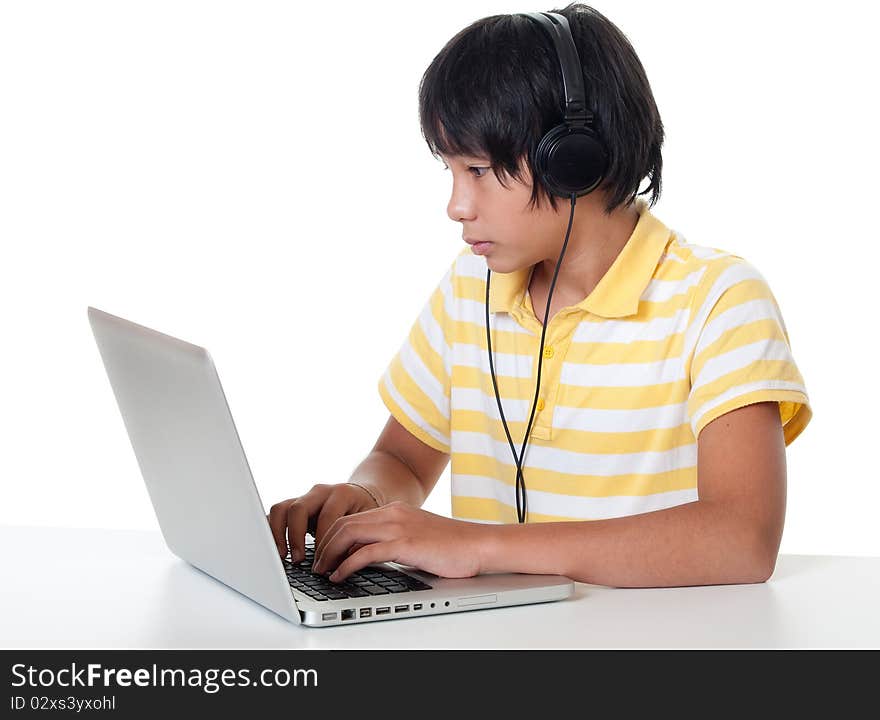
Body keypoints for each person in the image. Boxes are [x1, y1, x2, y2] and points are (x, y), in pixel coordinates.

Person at [267, 3, 811, 588]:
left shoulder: (718, 301)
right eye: (450, 171)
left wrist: (480, 545)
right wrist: (363, 500)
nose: (457, 205)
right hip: (499, 643)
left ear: (573, 161)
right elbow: (402, 460)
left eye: (477, 169)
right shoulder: (470, 288)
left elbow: (741, 541)